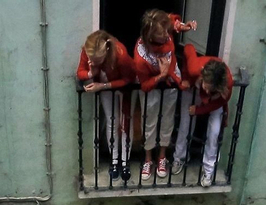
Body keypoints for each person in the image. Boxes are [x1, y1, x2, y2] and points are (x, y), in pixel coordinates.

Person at [132, 9, 194, 184]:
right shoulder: (141, 57)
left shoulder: (164, 27)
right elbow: (144, 85)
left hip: (171, 80)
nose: (167, 35)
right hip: (152, 83)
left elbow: (173, 20)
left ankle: (162, 157)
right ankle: (148, 159)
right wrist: (161, 74)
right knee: (149, 120)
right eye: (162, 35)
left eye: (167, 32)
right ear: (149, 36)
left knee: (167, 119)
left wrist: (183, 26)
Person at [76, 30, 135, 183]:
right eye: (91, 59)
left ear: (106, 52)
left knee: (125, 123)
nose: (93, 62)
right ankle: (114, 160)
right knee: (111, 121)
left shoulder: (120, 55)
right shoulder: (88, 50)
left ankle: (125, 161)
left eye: (97, 59)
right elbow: (80, 72)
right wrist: (91, 74)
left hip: (121, 88)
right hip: (103, 87)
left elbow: (128, 79)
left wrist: (103, 85)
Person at [174, 44, 232, 186]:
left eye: (210, 87)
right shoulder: (196, 68)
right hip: (193, 85)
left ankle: (208, 170)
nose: (207, 88)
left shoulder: (226, 86)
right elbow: (188, 48)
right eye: (207, 84)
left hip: (213, 99)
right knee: (185, 123)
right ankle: (180, 157)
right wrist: (186, 77)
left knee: (214, 132)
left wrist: (199, 110)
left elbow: (216, 104)